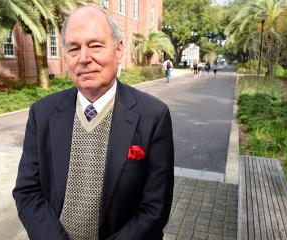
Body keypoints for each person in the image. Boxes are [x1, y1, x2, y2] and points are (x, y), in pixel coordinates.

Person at [12, 6, 174, 240]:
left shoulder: (153, 116)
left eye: (96, 45)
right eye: (74, 48)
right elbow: (27, 191)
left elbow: (155, 209)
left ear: (118, 50)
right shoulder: (43, 114)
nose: (84, 58)